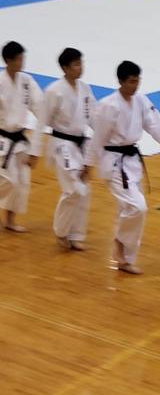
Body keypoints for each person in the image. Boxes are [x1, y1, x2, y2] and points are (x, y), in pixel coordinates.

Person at [86, 60, 160, 274]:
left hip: (131, 162)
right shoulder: (108, 105)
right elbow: (98, 138)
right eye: (131, 81)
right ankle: (120, 243)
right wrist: (88, 164)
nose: (135, 85)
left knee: (128, 209)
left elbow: (155, 125)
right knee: (137, 207)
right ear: (121, 81)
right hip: (114, 163)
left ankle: (126, 260)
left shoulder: (140, 100)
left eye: (138, 80)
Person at [33, 48, 95, 251]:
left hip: (81, 144)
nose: (80, 67)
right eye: (76, 64)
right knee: (73, 189)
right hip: (62, 145)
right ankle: (61, 232)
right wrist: (34, 150)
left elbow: (94, 117)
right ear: (65, 68)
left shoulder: (85, 88)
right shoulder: (54, 91)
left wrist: (107, 138)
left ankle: (76, 234)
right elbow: (41, 121)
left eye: (81, 63)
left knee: (84, 191)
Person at [0, 41, 42, 233]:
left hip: (20, 140)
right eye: (18, 59)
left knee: (21, 182)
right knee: (8, 180)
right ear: (8, 60)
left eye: (22, 58)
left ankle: (10, 220)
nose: (22, 62)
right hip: (2, 139)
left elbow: (40, 106)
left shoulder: (26, 81)